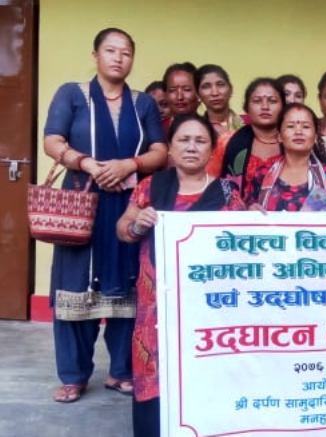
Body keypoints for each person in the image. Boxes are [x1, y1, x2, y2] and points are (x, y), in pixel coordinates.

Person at [42, 27, 167, 403]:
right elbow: (52, 140)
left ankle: (121, 372)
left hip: (127, 204)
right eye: (111, 50)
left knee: (127, 283)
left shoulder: (142, 103)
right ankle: (73, 375)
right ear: (95, 55)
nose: (118, 58)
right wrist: (86, 163)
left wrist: (129, 164)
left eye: (126, 52)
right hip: (82, 204)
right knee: (75, 284)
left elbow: (160, 151)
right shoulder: (72, 94)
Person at [117, 114, 246, 437]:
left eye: (200, 141)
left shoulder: (228, 194)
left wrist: (257, 223)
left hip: (206, 310)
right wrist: (137, 224)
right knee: (155, 374)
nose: (191, 147)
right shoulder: (151, 186)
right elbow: (123, 229)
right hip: (156, 310)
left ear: (212, 150)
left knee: (202, 375)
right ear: (171, 148)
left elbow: (244, 247)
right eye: (183, 140)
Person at [245, 103, 326, 211]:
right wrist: (251, 211)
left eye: (306, 127)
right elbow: (247, 212)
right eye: (291, 126)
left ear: (315, 136)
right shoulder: (262, 174)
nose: (298, 132)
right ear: (279, 136)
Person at [212, 77, 285, 194]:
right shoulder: (227, 142)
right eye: (257, 101)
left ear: (283, 107)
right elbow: (213, 186)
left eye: (272, 101)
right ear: (246, 108)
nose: (265, 107)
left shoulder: (295, 141)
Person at [195, 64, 244, 136]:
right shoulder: (195, 129)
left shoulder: (250, 124)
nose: (215, 93)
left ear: (231, 89)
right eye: (206, 87)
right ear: (198, 94)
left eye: (220, 84)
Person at [161, 62, 200, 132]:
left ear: (198, 92)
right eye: (172, 90)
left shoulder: (209, 128)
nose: (179, 97)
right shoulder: (157, 130)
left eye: (187, 89)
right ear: (165, 94)